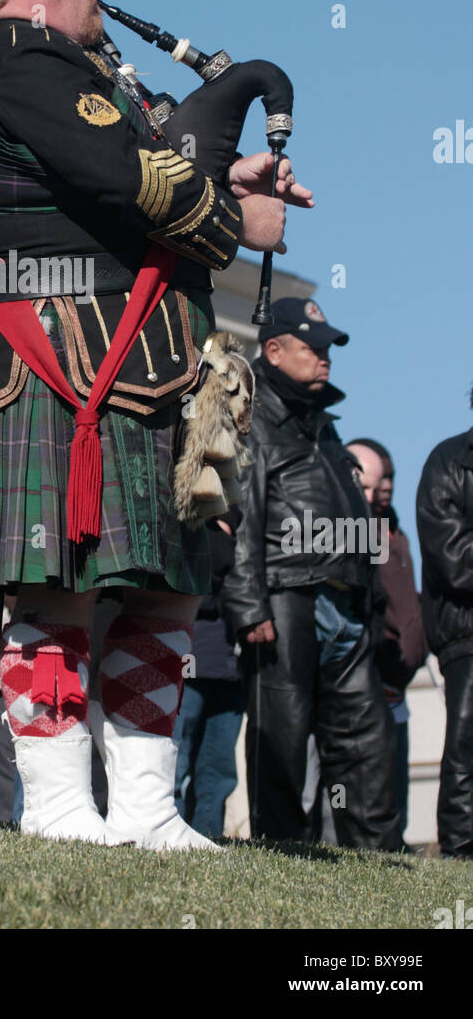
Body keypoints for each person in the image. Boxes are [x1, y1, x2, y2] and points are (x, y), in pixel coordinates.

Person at [0, 0, 311, 848]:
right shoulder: (15, 57)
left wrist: (223, 176)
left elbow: (128, 156)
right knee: (57, 586)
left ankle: (149, 810)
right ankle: (64, 808)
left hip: (119, 359)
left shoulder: (47, 64)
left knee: (160, 583)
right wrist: (231, 221)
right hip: (53, 360)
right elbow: (130, 176)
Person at [221, 298, 402, 850]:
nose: (325, 358)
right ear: (272, 350)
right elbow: (241, 517)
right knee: (282, 733)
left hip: (344, 604)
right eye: (313, 347)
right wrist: (248, 606)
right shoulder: (251, 420)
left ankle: (374, 851)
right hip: (283, 599)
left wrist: (368, 600)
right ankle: (281, 847)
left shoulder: (322, 427)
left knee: (366, 736)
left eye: (328, 349)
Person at [347, 439, 427, 838]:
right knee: (372, 776)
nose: (386, 489)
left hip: (401, 683)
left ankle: (396, 842)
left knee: (397, 777)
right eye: (380, 482)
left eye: (391, 480)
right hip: (375, 677)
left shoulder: (399, 536)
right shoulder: (357, 533)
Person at [416, 403, 473, 858]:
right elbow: (454, 562)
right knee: (467, 744)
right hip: (466, 633)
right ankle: (461, 852)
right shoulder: (449, 463)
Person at [173, 512, 245, 837]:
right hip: (191, 653)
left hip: (231, 664)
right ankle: (164, 832)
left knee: (218, 767)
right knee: (176, 756)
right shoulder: (196, 515)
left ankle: (207, 838)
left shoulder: (250, 520)